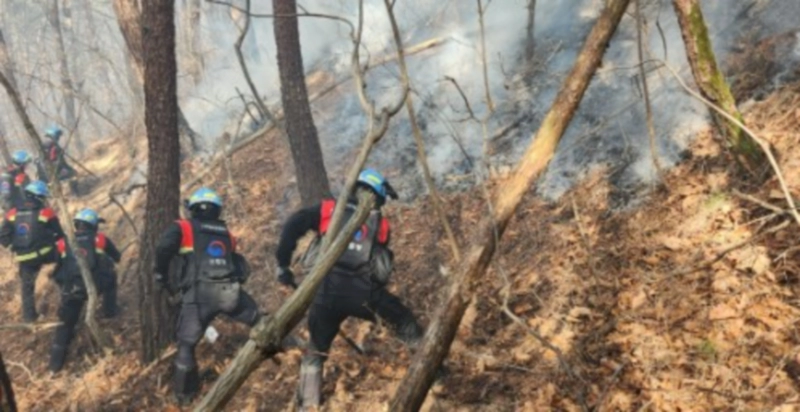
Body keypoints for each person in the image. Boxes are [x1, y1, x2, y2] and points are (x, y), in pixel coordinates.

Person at [275, 168, 424, 409]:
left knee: (316, 350)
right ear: (378, 197)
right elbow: (380, 268)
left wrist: (282, 263)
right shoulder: (382, 225)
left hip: (325, 293)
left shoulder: (328, 209)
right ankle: (432, 371)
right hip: (364, 295)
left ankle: (308, 404)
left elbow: (293, 224)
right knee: (405, 322)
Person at [154, 187, 259, 404]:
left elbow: (163, 248)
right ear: (217, 210)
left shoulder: (183, 227)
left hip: (198, 297)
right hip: (230, 294)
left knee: (186, 345)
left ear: (193, 208)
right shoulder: (227, 234)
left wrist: (160, 274)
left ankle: (185, 398)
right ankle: (291, 346)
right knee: (260, 320)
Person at [0, 180, 64, 322]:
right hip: (46, 253)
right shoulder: (46, 212)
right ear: (38, 197)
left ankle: (29, 317)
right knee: (64, 267)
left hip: (24, 257)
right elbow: (60, 234)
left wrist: (13, 246)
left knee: (27, 287)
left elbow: (2, 235)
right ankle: (64, 302)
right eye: (43, 197)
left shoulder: (12, 212)